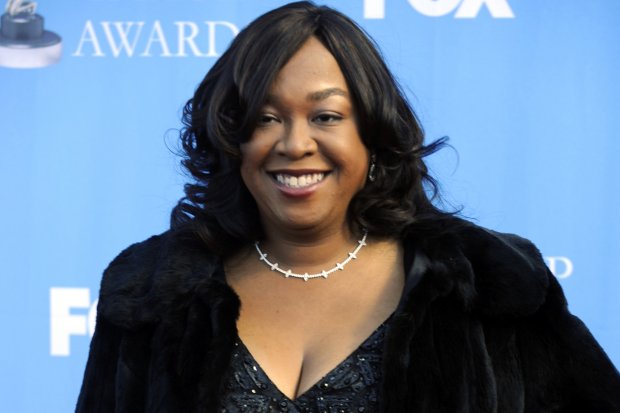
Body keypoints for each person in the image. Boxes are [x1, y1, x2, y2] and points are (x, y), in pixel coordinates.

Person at [76, 2, 620, 412]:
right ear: (231, 139)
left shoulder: (488, 282)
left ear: (372, 135)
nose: (295, 144)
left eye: (326, 117)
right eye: (265, 118)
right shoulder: (149, 292)